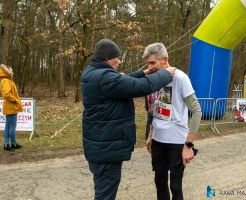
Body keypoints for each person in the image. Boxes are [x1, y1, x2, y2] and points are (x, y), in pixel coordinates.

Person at [81, 39, 176, 200]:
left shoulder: (93, 73)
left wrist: (143, 73)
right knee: (105, 194)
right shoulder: (105, 77)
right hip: (106, 149)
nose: (119, 60)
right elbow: (140, 87)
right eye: (117, 57)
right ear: (107, 58)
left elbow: (123, 81)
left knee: (103, 190)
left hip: (99, 146)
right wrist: (166, 74)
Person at [144, 43, 202, 200]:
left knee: (175, 187)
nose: (150, 68)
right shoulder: (153, 79)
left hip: (177, 141)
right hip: (157, 141)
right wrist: (151, 134)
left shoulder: (180, 78)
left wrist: (188, 146)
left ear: (165, 59)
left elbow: (197, 111)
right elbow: (154, 110)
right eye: (148, 64)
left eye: (153, 63)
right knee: (159, 183)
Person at [0, 64, 23, 151]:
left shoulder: (6, 80)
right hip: (11, 106)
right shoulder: (6, 81)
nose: (12, 72)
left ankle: (6, 144)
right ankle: (13, 144)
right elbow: (6, 94)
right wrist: (15, 100)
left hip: (10, 106)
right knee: (12, 127)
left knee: (8, 126)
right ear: (7, 72)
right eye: (10, 71)